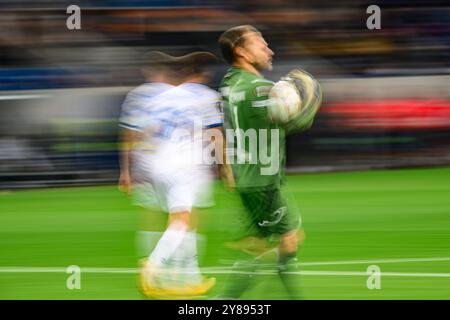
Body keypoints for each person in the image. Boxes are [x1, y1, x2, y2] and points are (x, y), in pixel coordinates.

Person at [118, 51, 221, 298]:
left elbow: (134, 132)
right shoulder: (205, 96)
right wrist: (225, 167)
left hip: (153, 164)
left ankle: (187, 277)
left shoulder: (155, 96)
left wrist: (127, 170)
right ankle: (155, 267)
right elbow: (215, 134)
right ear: (204, 74)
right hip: (186, 166)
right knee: (184, 220)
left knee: (163, 218)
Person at [217, 25, 305, 299]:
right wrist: (303, 107)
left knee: (262, 244)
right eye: (261, 44)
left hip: (248, 178)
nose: (269, 50)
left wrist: (224, 167)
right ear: (241, 52)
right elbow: (290, 118)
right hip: (264, 181)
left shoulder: (229, 83)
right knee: (285, 242)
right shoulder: (260, 89)